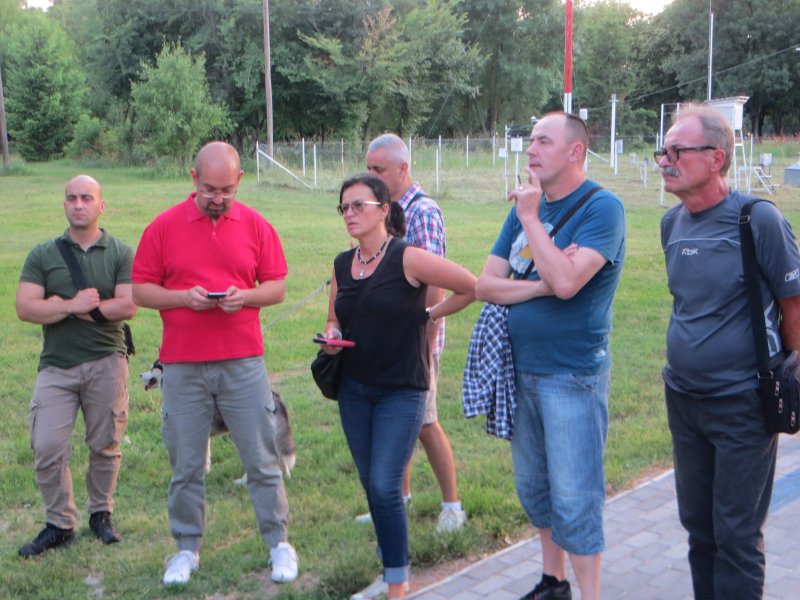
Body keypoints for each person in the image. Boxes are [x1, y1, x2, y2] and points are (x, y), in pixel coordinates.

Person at [131, 141, 298, 586]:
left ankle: (279, 543)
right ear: (193, 179)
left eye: (226, 190)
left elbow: (277, 286)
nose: (218, 198)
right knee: (186, 465)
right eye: (209, 189)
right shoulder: (163, 227)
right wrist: (182, 298)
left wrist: (247, 296)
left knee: (261, 458)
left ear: (240, 180)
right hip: (182, 365)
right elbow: (141, 291)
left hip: (243, 362)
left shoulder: (256, 225)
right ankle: (186, 549)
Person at [474, 112, 626, 600]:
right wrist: (540, 284)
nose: (531, 149)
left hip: (572, 376)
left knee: (576, 496)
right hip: (522, 371)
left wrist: (530, 220)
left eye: (543, 141)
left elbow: (567, 282)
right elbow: (485, 286)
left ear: (575, 151)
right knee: (535, 488)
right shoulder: (526, 207)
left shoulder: (602, 209)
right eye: (530, 140)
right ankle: (553, 582)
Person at [658, 106, 800, 599]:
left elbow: (793, 303)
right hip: (683, 399)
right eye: (663, 152)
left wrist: (791, 374)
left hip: (742, 403)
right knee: (699, 529)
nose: (665, 161)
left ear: (717, 158)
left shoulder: (756, 219)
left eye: (678, 151)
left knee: (736, 536)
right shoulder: (671, 224)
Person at [319, 174, 475, 599]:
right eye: (344, 207)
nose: (349, 214)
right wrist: (332, 335)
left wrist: (428, 316)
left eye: (358, 205)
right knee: (373, 485)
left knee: (386, 485)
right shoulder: (342, 264)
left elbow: (470, 286)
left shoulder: (408, 257)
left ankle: (397, 586)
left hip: (401, 389)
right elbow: (334, 317)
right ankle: (390, 569)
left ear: (383, 210)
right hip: (354, 389)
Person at [15, 175, 136, 557]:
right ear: (64, 204)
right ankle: (60, 523)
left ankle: (101, 514)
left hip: (107, 361)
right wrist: (73, 305)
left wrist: (63, 307)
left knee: (105, 444)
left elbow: (128, 305)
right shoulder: (43, 254)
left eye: (86, 198)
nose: (78, 204)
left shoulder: (120, 252)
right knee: (47, 446)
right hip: (57, 367)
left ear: (102, 205)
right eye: (71, 198)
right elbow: (25, 307)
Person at [364, 133, 467, 533]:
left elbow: (435, 281)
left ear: (403, 168)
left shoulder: (422, 212)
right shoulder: (383, 210)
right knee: (395, 421)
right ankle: (399, 500)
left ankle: (452, 507)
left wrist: (425, 338)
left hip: (418, 340)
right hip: (389, 338)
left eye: (379, 170)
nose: (371, 177)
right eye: (368, 169)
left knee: (423, 422)